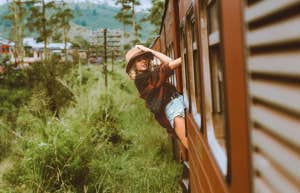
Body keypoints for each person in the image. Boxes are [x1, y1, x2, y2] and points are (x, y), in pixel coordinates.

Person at [125, 45, 188, 149]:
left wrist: (150, 51)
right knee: (190, 143)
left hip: (179, 100)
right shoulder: (141, 79)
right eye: (139, 60)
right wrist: (188, 55)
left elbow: (169, 62)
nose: (143, 61)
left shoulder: (150, 74)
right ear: (134, 66)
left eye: (145, 58)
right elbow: (170, 64)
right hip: (173, 108)